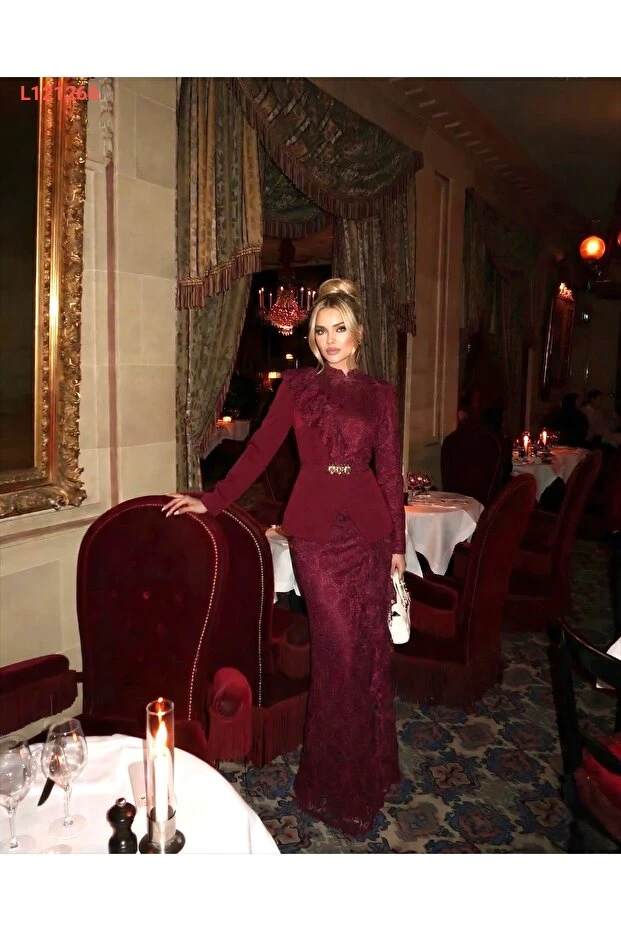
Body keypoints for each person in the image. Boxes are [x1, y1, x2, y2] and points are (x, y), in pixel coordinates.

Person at [163, 278, 405, 835]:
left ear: (358, 333)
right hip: (317, 538)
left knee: (367, 652)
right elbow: (256, 452)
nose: (329, 339)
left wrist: (396, 545)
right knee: (338, 654)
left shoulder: (380, 394)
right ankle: (332, 784)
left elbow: (390, 472)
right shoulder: (297, 388)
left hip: (369, 536)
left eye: (339, 328)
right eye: (321, 331)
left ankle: (371, 767)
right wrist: (212, 499)